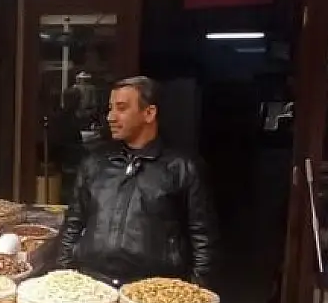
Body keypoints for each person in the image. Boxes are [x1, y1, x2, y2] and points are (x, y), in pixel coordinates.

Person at [57, 76, 216, 287]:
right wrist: (63, 274)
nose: (111, 117)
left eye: (121, 108)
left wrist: (196, 290)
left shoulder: (182, 168)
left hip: (154, 290)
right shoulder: (95, 164)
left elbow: (202, 238)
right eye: (110, 108)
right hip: (93, 284)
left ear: (149, 113)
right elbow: (73, 224)